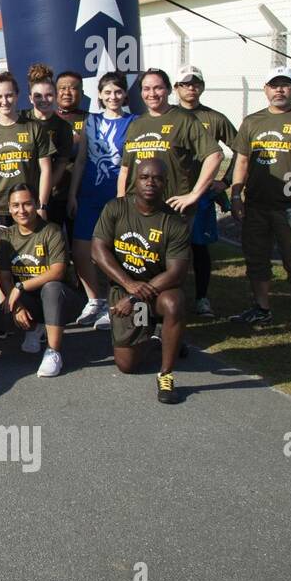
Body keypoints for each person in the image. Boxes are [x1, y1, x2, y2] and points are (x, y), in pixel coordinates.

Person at [229, 66, 291, 337]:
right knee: (256, 259)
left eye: (285, 85)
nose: (279, 90)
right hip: (257, 205)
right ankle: (262, 308)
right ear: (266, 89)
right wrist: (236, 196)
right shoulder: (252, 122)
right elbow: (242, 161)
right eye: (274, 85)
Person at [91, 158, 191, 403]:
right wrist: (128, 284)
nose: (150, 183)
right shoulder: (115, 208)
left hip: (157, 290)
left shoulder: (175, 221)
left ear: (165, 183)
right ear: (135, 180)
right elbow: (97, 250)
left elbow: (176, 273)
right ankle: (161, 337)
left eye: (157, 178)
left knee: (174, 303)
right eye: (145, 177)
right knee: (127, 365)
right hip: (123, 289)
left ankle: (166, 375)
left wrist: (135, 295)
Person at [0, 71, 54, 293]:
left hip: (28, 207)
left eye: (8, 96)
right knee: (3, 266)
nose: (4, 101)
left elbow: (46, 169)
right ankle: (6, 316)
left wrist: (42, 205)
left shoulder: (33, 128)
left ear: (17, 96)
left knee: (32, 262)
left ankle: (35, 315)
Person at [67, 72, 135, 328]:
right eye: (107, 92)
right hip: (89, 193)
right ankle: (94, 299)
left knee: (116, 250)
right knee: (81, 248)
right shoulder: (91, 122)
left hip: (118, 195)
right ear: (99, 95)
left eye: (117, 92)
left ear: (125, 94)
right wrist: (73, 194)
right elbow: (82, 159)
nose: (113, 97)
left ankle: (116, 299)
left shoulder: (133, 121)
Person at [0, 185, 81, 378]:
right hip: (30, 298)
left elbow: (58, 272)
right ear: (9, 208)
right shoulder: (6, 236)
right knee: (2, 319)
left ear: (36, 204)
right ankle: (35, 328)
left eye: (27, 204)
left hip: (61, 297)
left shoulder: (51, 230)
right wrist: (16, 306)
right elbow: (4, 276)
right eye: (15, 205)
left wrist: (20, 286)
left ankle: (53, 351)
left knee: (51, 288)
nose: (21, 210)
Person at [173, 66, 237, 317]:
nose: (191, 88)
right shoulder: (166, 115)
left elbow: (241, 149)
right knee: (169, 248)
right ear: (176, 88)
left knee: (199, 247)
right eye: (185, 84)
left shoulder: (215, 118)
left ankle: (201, 298)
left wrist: (225, 182)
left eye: (195, 83)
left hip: (200, 196)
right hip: (171, 194)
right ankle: (171, 297)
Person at [117, 68, 222, 214]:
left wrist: (194, 194)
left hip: (171, 211)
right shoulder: (136, 124)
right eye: (146, 89)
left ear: (168, 90)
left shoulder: (184, 120)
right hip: (136, 211)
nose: (152, 94)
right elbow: (125, 169)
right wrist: (121, 201)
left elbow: (215, 155)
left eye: (158, 88)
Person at [27, 68, 78, 230]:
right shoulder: (22, 120)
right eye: (38, 96)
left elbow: (61, 165)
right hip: (25, 192)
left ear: (55, 97)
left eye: (49, 95)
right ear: (30, 98)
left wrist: (42, 193)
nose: (44, 100)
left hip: (55, 194)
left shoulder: (63, 127)